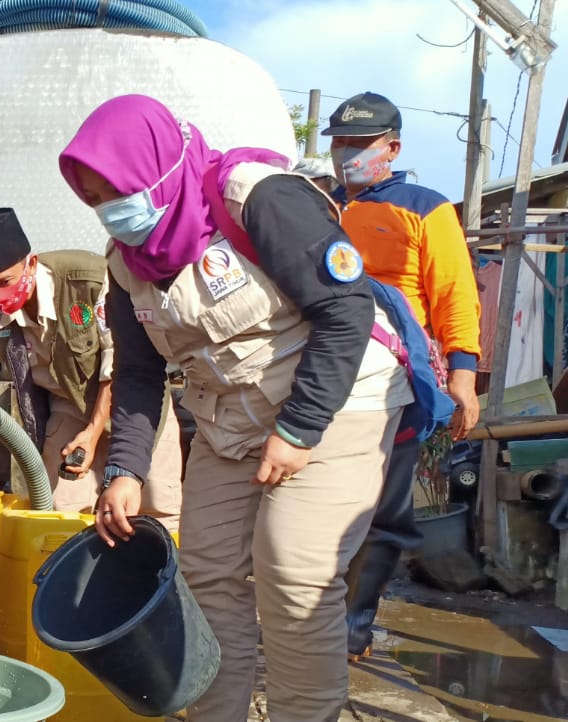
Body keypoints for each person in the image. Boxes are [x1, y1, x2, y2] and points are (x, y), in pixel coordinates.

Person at [60, 94, 410, 722]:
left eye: (116, 190)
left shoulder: (256, 197)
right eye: (91, 199)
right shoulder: (125, 263)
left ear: (160, 168)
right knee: (204, 579)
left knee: (294, 576)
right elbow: (139, 375)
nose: (109, 210)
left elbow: (346, 309)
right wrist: (125, 472)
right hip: (229, 420)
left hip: (332, 402)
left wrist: (300, 429)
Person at [324, 91, 482, 661]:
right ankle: (306, 613)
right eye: (340, 142)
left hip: (397, 381)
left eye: (360, 144)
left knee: (382, 511)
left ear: (392, 148)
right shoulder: (316, 205)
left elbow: (455, 296)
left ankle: (351, 628)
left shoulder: (425, 207)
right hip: (319, 375)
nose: (347, 154)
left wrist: (463, 376)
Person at [0, 208, 183, 522]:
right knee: (59, 515)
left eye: (5, 281)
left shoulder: (88, 282)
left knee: (153, 511)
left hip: (134, 403)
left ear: (31, 264)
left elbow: (120, 364)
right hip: (69, 406)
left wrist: (92, 435)